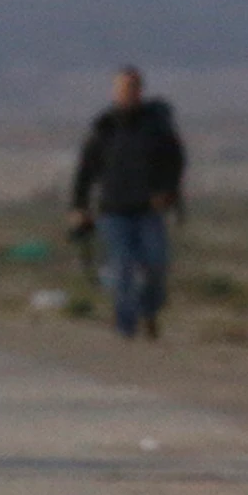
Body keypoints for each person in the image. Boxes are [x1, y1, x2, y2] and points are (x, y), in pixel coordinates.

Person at [70, 66, 186, 340]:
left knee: (156, 264)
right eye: (120, 89)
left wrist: (167, 191)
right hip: (113, 212)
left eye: (130, 88)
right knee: (122, 267)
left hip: (148, 210)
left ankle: (149, 311)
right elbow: (85, 173)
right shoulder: (104, 128)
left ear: (139, 90)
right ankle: (125, 327)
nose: (125, 94)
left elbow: (175, 162)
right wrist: (79, 207)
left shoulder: (155, 126)